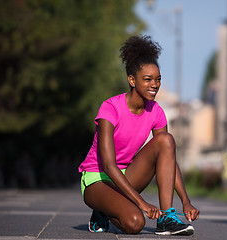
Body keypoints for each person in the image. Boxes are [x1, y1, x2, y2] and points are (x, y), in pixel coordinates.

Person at [78, 35, 199, 236]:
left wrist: (186, 201)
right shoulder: (110, 108)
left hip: (128, 176)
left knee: (166, 141)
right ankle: (103, 210)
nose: (155, 85)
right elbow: (108, 165)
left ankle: (166, 218)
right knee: (135, 223)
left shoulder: (156, 111)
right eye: (148, 79)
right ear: (132, 80)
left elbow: (168, 157)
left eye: (158, 79)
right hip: (97, 179)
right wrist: (141, 202)